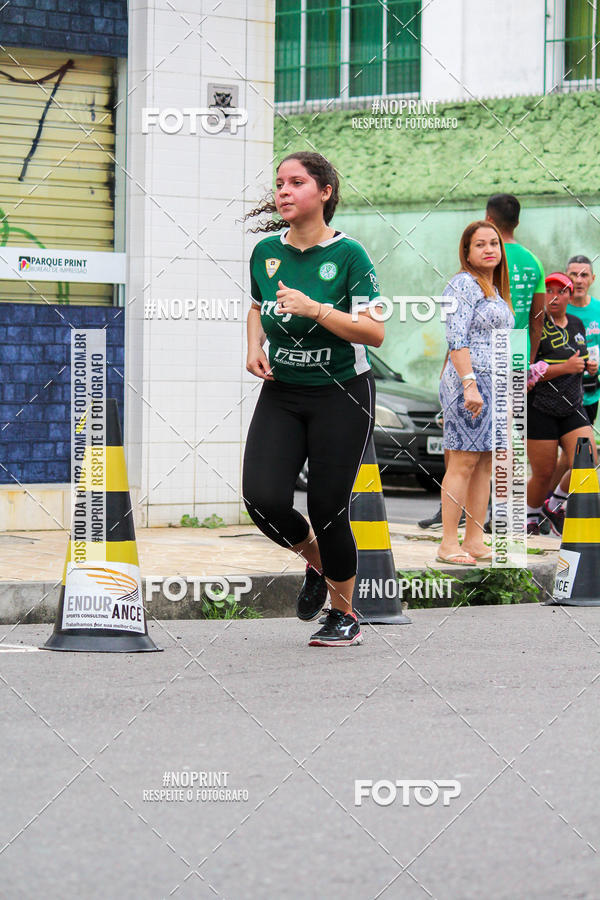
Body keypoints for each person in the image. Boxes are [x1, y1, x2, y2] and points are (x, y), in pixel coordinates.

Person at [242, 151, 384, 647]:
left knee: (327, 506)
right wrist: (253, 344)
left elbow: (374, 332)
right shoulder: (265, 251)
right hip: (282, 390)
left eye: (296, 182)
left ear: (324, 192)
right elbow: (258, 305)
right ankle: (318, 563)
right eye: (279, 182)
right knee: (262, 499)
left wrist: (317, 308)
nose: (283, 191)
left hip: (342, 393)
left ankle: (345, 615)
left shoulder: (351, 255)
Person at [437, 221, 514, 564]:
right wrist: (470, 384)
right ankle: (448, 544)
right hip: (468, 382)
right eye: (480, 244)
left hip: (495, 385)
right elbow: (457, 339)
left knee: (484, 463)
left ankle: (474, 539)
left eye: (494, 244)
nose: (488, 249)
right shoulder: (462, 285)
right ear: (466, 252)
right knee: (463, 460)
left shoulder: (495, 290)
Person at [526, 273, 597, 535]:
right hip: (540, 406)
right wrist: (564, 368)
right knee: (543, 473)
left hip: (572, 405)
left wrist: (589, 366)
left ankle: (554, 504)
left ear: (569, 295)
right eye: (549, 291)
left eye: (561, 291)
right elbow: (527, 371)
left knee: (587, 460)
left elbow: (580, 358)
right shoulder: (535, 325)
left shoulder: (577, 323)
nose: (554, 297)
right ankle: (530, 518)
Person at [486, 193, 545, 361]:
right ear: (517, 223)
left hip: (485, 353)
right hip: (518, 353)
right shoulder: (534, 261)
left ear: (488, 221)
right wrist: (529, 361)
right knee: (514, 389)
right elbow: (538, 320)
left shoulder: (483, 258)